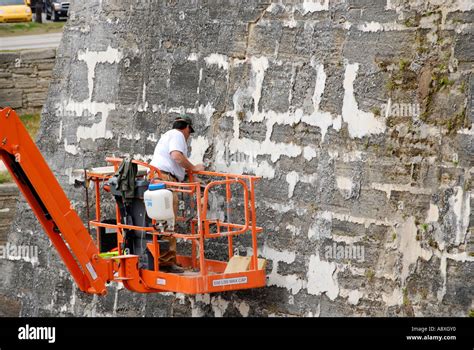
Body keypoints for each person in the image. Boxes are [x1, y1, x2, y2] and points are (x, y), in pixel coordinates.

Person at [149, 116, 204, 272]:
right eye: (189, 132)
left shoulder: (167, 135)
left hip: (158, 178)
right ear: (186, 128)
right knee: (167, 221)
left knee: (161, 221)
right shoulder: (178, 135)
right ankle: (166, 262)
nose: (188, 136)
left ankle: (163, 259)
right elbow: (177, 156)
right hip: (164, 179)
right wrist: (193, 168)